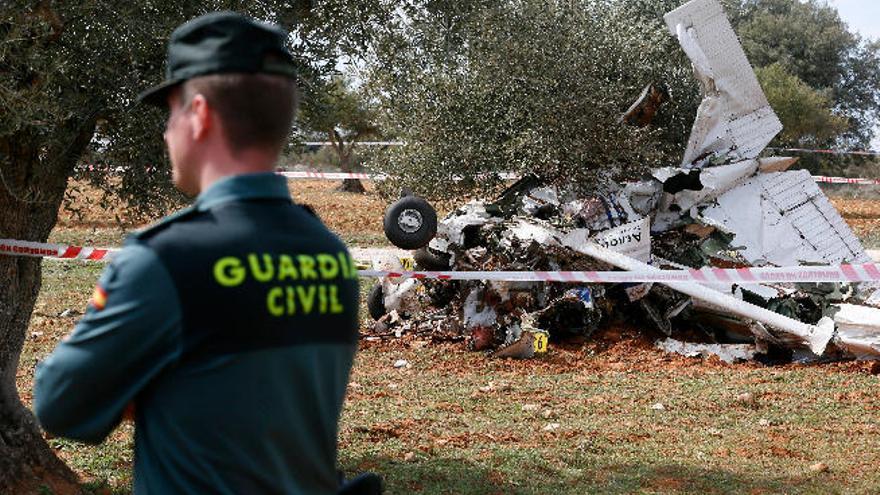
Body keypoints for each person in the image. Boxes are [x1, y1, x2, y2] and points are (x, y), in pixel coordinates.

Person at [33, 12, 370, 494]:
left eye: (169, 114)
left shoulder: (164, 261)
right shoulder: (330, 253)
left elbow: (59, 403)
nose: (167, 133)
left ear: (199, 114)